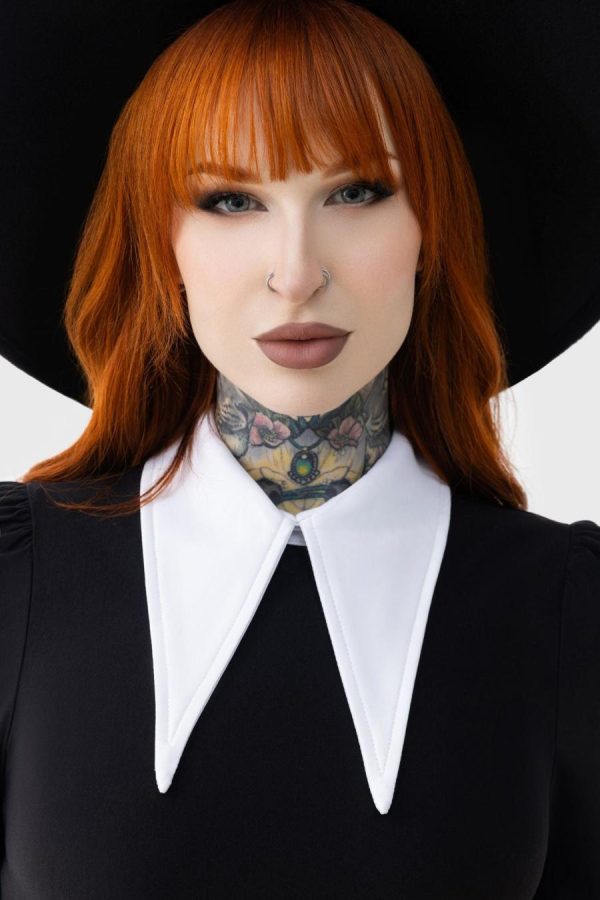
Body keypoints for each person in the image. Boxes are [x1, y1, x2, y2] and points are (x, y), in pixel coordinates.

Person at [1, 0, 599, 896]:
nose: (296, 272)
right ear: (161, 241)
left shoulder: (567, 614)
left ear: (430, 225)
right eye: (231, 200)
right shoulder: (17, 583)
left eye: (355, 192)